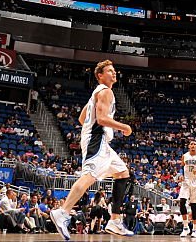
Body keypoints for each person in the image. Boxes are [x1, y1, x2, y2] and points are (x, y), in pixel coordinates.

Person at [50, 60, 135, 239]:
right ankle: (63, 212)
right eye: (110, 71)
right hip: (96, 140)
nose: (114, 73)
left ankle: (115, 220)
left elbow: (82, 119)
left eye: (114, 70)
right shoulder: (106, 91)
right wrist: (124, 127)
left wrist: (94, 125)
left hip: (100, 141)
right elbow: (102, 119)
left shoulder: (96, 94)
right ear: (100, 76)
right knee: (89, 177)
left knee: (123, 173)